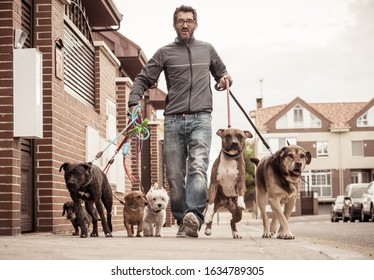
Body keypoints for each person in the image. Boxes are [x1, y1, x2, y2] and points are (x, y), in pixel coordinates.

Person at [128, 5, 232, 238]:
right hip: (174, 120)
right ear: (174, 25)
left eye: (189, 20)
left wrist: (224, 79)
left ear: (196, 24)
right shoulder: (165, 53)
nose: (185, 24)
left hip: (201, 118)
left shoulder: (207, 50)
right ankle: (181, 219)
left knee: (197, 167)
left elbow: (221, 73)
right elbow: (143, 78)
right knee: (174, 175)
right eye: (180, 21)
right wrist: (134, 101)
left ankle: (193, 216)